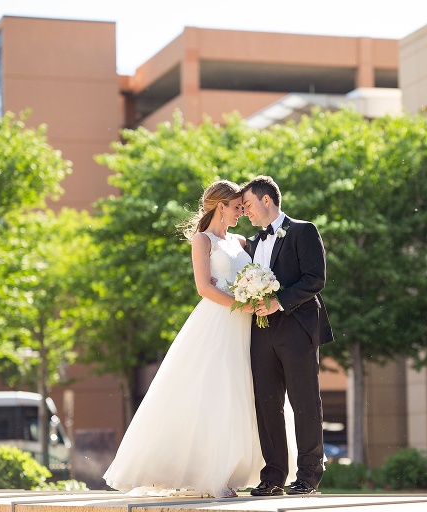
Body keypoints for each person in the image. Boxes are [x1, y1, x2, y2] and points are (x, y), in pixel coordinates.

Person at [103, 180, 296, 499]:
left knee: (243, 393)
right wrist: (243, 303)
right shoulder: (202, 240)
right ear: (221, 207)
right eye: (237, 207)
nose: (241, 213)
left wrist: (257, 295)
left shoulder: (240, 240)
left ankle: (240, 471)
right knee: (215, 392)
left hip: (246, 326)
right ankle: (212, 476)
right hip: (217, 323)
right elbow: (204, 288)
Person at [241, 175, 334, 496]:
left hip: (297, 328)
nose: (246, 212)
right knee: (267, 404)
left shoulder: (303, 230)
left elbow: (315, 279)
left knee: (304, 401)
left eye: (249, 205)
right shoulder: (252, 243)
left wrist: (277, 301)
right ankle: (273, 476)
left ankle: (309, 476)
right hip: (261, 332)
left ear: (267, 200)